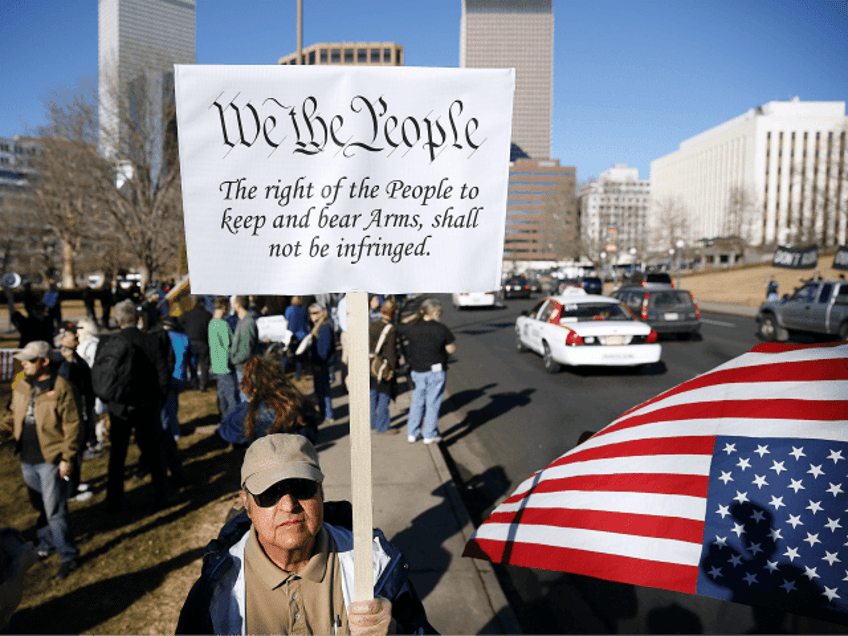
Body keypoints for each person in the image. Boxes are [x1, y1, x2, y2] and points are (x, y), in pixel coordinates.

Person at [175, 434, 435, 635]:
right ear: (247, 504)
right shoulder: (216, 589)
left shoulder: (375, 564)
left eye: (301, 487)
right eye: (269, 493)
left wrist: (396, 631)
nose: (289, 505)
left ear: (321, 492)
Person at [7, 341, 81, 579]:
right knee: (40, 507)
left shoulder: (61, 387)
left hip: (50, 460)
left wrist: (67, 457)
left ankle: (68, 556)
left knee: (55, 511)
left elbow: (72, 425)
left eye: (29, 360)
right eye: (24, 360)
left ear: (44, 361)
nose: (24, 364)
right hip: (26, 459)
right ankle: (46, 543)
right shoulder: (20, 385)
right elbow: (11, 415)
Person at [101, 300, 173, 512]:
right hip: (147, 405)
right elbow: (163, 374)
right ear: (138, 318)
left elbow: (104, 378)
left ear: (117, 320)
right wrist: (159, 400)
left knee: (118, 454)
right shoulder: (151, 340)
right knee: (154, 452)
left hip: (120, 406)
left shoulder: (110, 342)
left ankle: (113, 500)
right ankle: (161, 495)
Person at [218, 356, 320, 446]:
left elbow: (226, 431)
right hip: (298, 464)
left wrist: (247, 403)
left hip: (267, 465)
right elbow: (312, 436)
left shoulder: (254, 411)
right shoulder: (295, 401)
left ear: (252, 387)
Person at [398, 298, 456, 444]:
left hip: (418, 370)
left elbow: (399, 325)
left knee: (417, 401)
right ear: (434, 312)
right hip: (436, 371)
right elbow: (451, 348)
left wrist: (414, 315)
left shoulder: (412, 327)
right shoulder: (441, 329)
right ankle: (429, 434)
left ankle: (412, 432)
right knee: (433, 403)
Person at [369, 299, 399, 435]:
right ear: (393, 313)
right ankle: (383, 427)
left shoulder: (372, 325)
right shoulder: (390, 329)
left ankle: (372, 422)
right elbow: (391, 352)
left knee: (373, 393)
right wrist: (391, 369)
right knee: (384, 395)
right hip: (383, 366)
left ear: (382, 311)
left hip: (371, 365)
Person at [208, 296, 239, 419]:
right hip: (226, 364)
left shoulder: (211, 323)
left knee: (222, 395)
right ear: (225, 308)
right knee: (231, 396)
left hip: (216, 363)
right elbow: (230, 344)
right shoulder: (223, 324)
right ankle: (231, 422)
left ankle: (223, 420)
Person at [307, 303, 335, 424]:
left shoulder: (324, 327)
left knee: (324, 390)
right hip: (317, 362)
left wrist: (318, 363)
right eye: (310, 313)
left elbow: (324, 349)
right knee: (319, 390)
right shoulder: (316, 326)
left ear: (320, 313)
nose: (312, 316)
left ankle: (328, 414)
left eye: (314, 313)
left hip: (322, 363)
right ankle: (323, 413)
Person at [230, 295, 260, 402]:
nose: (231, 305)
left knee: (247, 399)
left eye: (232, 302)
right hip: (242, 367)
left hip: (245, 368)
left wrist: (234, 360)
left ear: (237, 305)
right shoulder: (242, 321)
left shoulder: (247, 323)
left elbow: (246, 350)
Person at [180, 296, 212, 391]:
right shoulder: (208, 315)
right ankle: (203, 385)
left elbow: (179, 321)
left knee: (192, 364)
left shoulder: (188, 314)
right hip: (203, 342)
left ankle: (194, 384)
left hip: (190, 342)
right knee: (204, 365)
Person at [284, 296, 310, 380]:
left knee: (287, 355)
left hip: (292, 335)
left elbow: (286, 322)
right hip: (302, 335)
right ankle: (297, 375)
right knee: (299, 356)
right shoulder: (304, 310)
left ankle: (283, 373)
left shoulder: (288, 309)